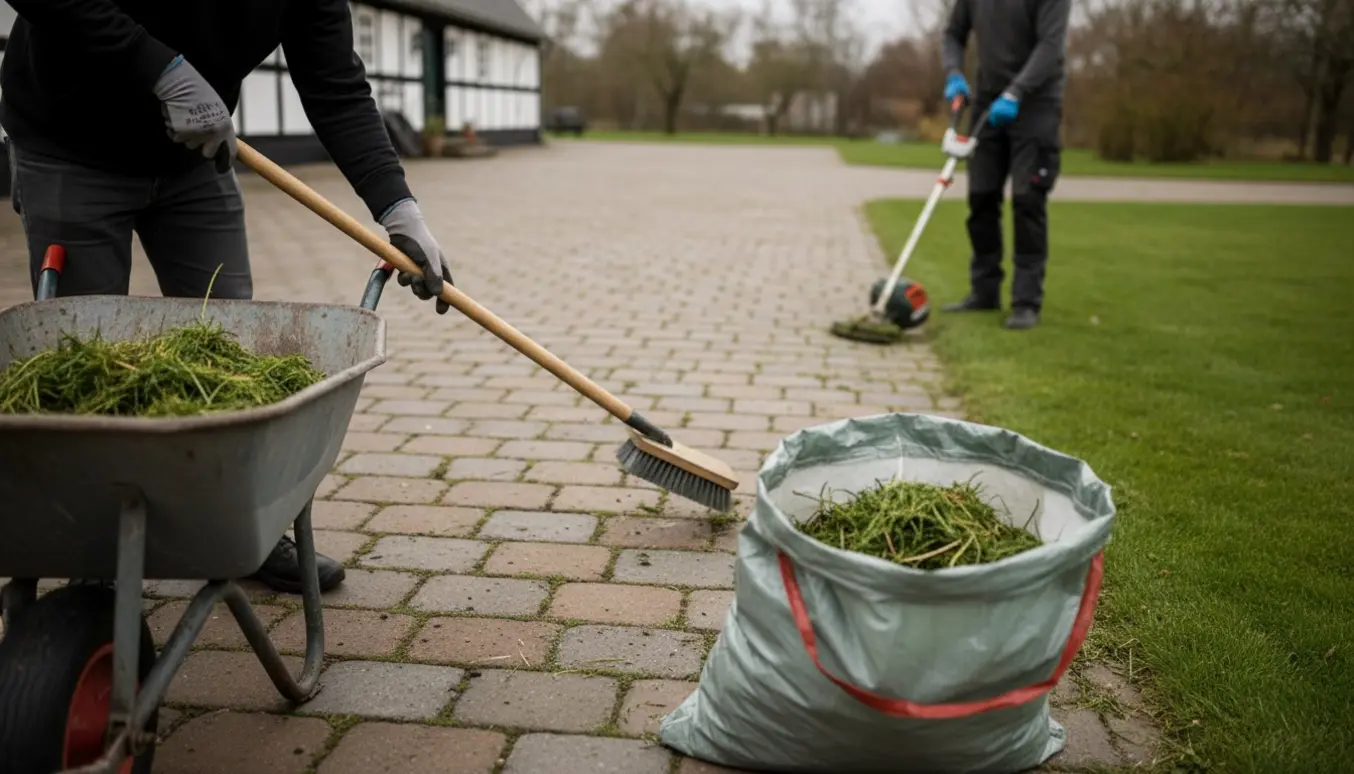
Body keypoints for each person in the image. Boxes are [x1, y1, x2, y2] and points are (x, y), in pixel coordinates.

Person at [1, 0, 455, 594]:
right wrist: (158, 67)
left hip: (195, 157)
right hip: (70, 142)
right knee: (82, 364)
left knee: (230, 348)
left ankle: (242, 531)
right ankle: (95, 568)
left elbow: (335, 84)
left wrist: (399, 207)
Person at [939, 0, 1072, 330]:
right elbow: (953, 34)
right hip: (987, 101)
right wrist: (954, 72)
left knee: (1028, 201)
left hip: (1036, 103)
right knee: (981, 197)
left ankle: (1026, 302)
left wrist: (1017, 91)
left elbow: (1050, 44)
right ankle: (984, 292)